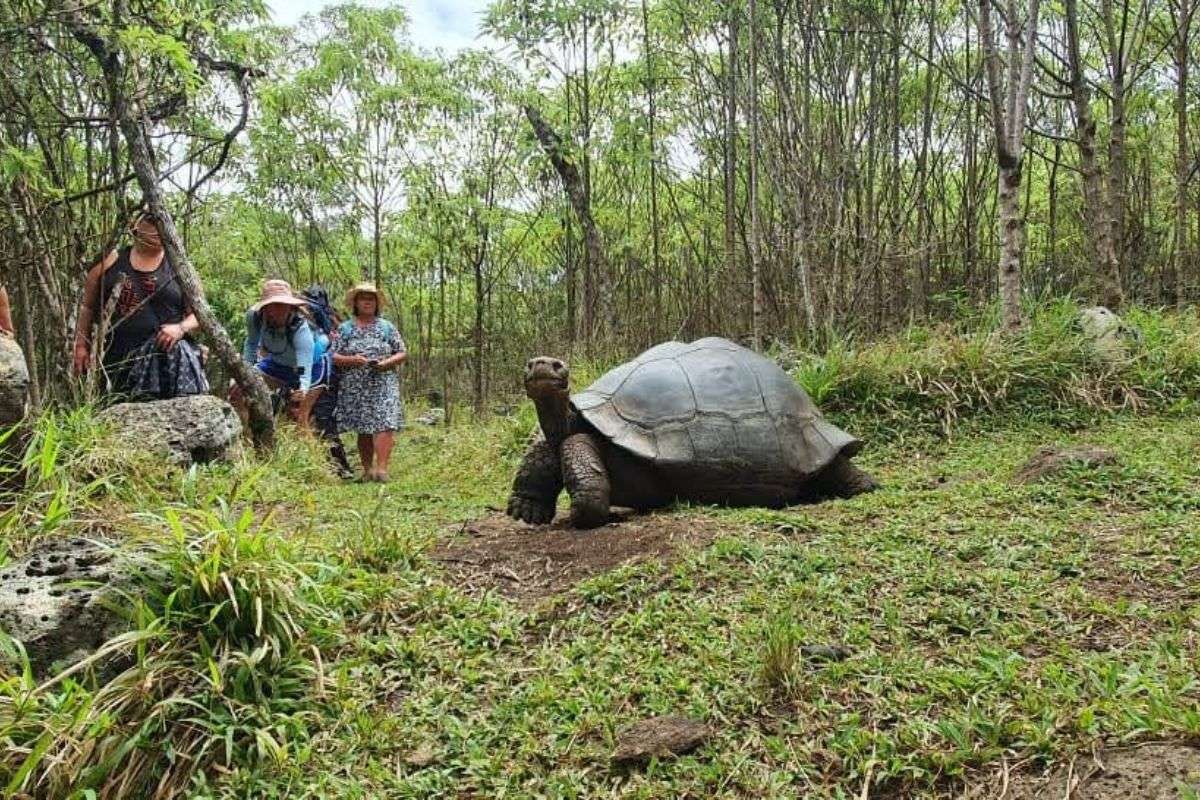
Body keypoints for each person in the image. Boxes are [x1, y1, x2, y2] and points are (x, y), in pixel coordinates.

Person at [72, 207, 208, 400]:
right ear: (135, 226)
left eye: (162, 222)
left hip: (168, 364)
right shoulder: (110, 260)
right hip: (116, 361)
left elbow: (201, 315)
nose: (156, 229)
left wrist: (180, 328)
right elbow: (86, 305)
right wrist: (80, 346)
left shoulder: (180, 267)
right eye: (151, 221)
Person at [232, 279, 331, 429]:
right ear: (265, 307)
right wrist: (246, 371)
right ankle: (247, 439)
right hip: (277, 362)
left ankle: (310, 450)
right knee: (237, 391)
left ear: (290, 307)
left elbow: (304, 366)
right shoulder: (254, 317)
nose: (276, 311)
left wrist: (303, 388)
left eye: (282, 305)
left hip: (312, 366)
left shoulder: (300, 328)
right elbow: (252, 344)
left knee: (299, 417)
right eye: (272, 306)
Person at [332, 283, 406, 482]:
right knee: (363, 425)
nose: (367, 301)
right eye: (363, 298)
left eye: (371, 298)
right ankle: (367, 469)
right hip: (356, 384)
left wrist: (385, 363)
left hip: (384, 380)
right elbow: (333, 356)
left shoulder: (387, 327)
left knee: (386, 422)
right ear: (355, 303)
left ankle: (382, 469)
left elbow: (401, 352)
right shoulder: (345, 328)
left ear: (377, 303)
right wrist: (352, 360)